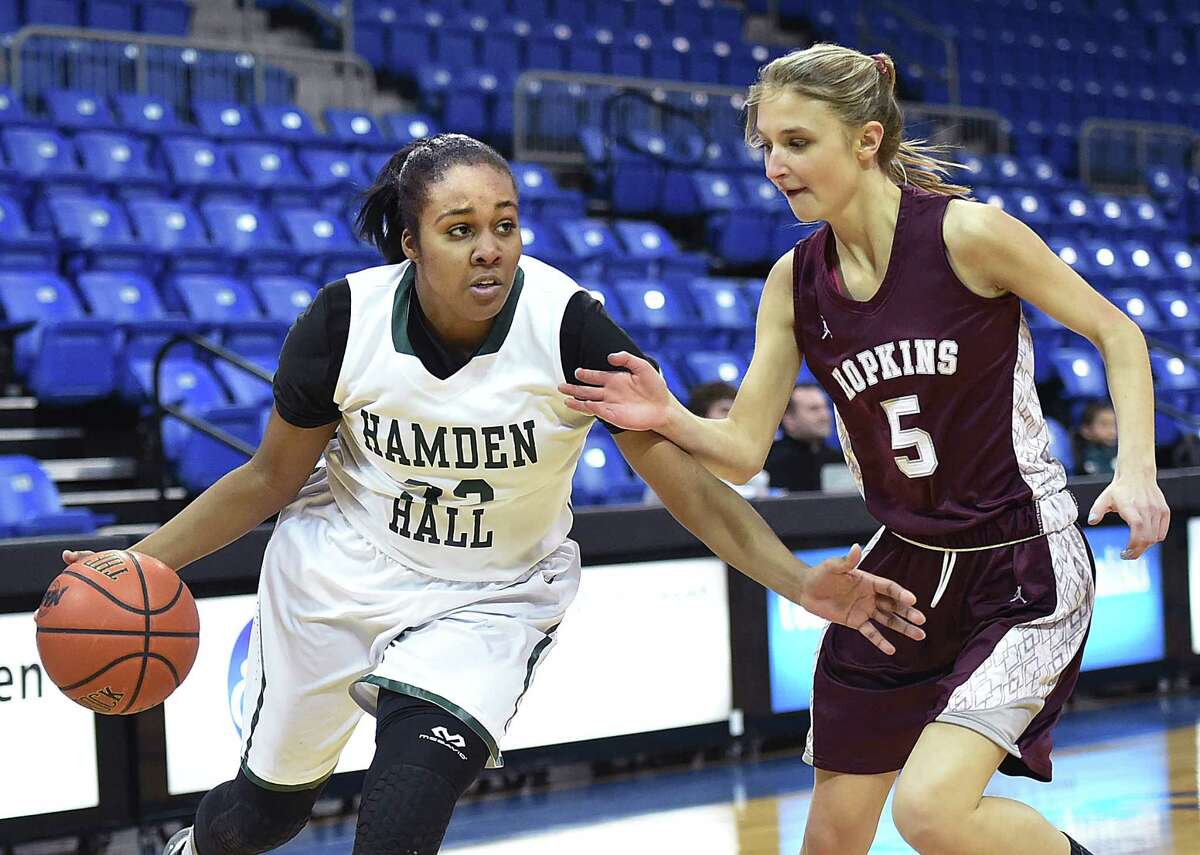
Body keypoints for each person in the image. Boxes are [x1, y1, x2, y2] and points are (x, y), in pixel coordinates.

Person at [62, 134, 925, 855]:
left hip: (493, 592)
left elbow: (689, 490)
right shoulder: (341, 324)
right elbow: (267, 480)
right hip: (340, 569)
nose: (490, 248)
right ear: (410, 242)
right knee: (265, 811)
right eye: (461, 228)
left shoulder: (568, 327)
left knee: (405, 806)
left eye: (506, 225)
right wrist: (130, 564)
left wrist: (800, 581)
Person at [560, 44, 1170, 855]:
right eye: (766, 146)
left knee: (930, 811)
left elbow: (1117, 332)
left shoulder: (967, 232)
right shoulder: (794, 279)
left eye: (797, 142)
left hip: (1021, 560)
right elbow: (742, 450)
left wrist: (1136, 472)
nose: (776, 165)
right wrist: (668, 412)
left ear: (866, 139)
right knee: (832, 838)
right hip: (901, 572)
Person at [763, 382, 842, 491]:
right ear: (788, 419)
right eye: (814, 409)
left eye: (825, 407)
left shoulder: (840, 460)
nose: (825, 416)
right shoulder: (766, 465)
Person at [1074, 399, 1118, 476]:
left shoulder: (1124, 452)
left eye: (1115, 424)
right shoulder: (1083, 457)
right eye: (1104, 425)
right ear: (1086, 430)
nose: (1112, 431)